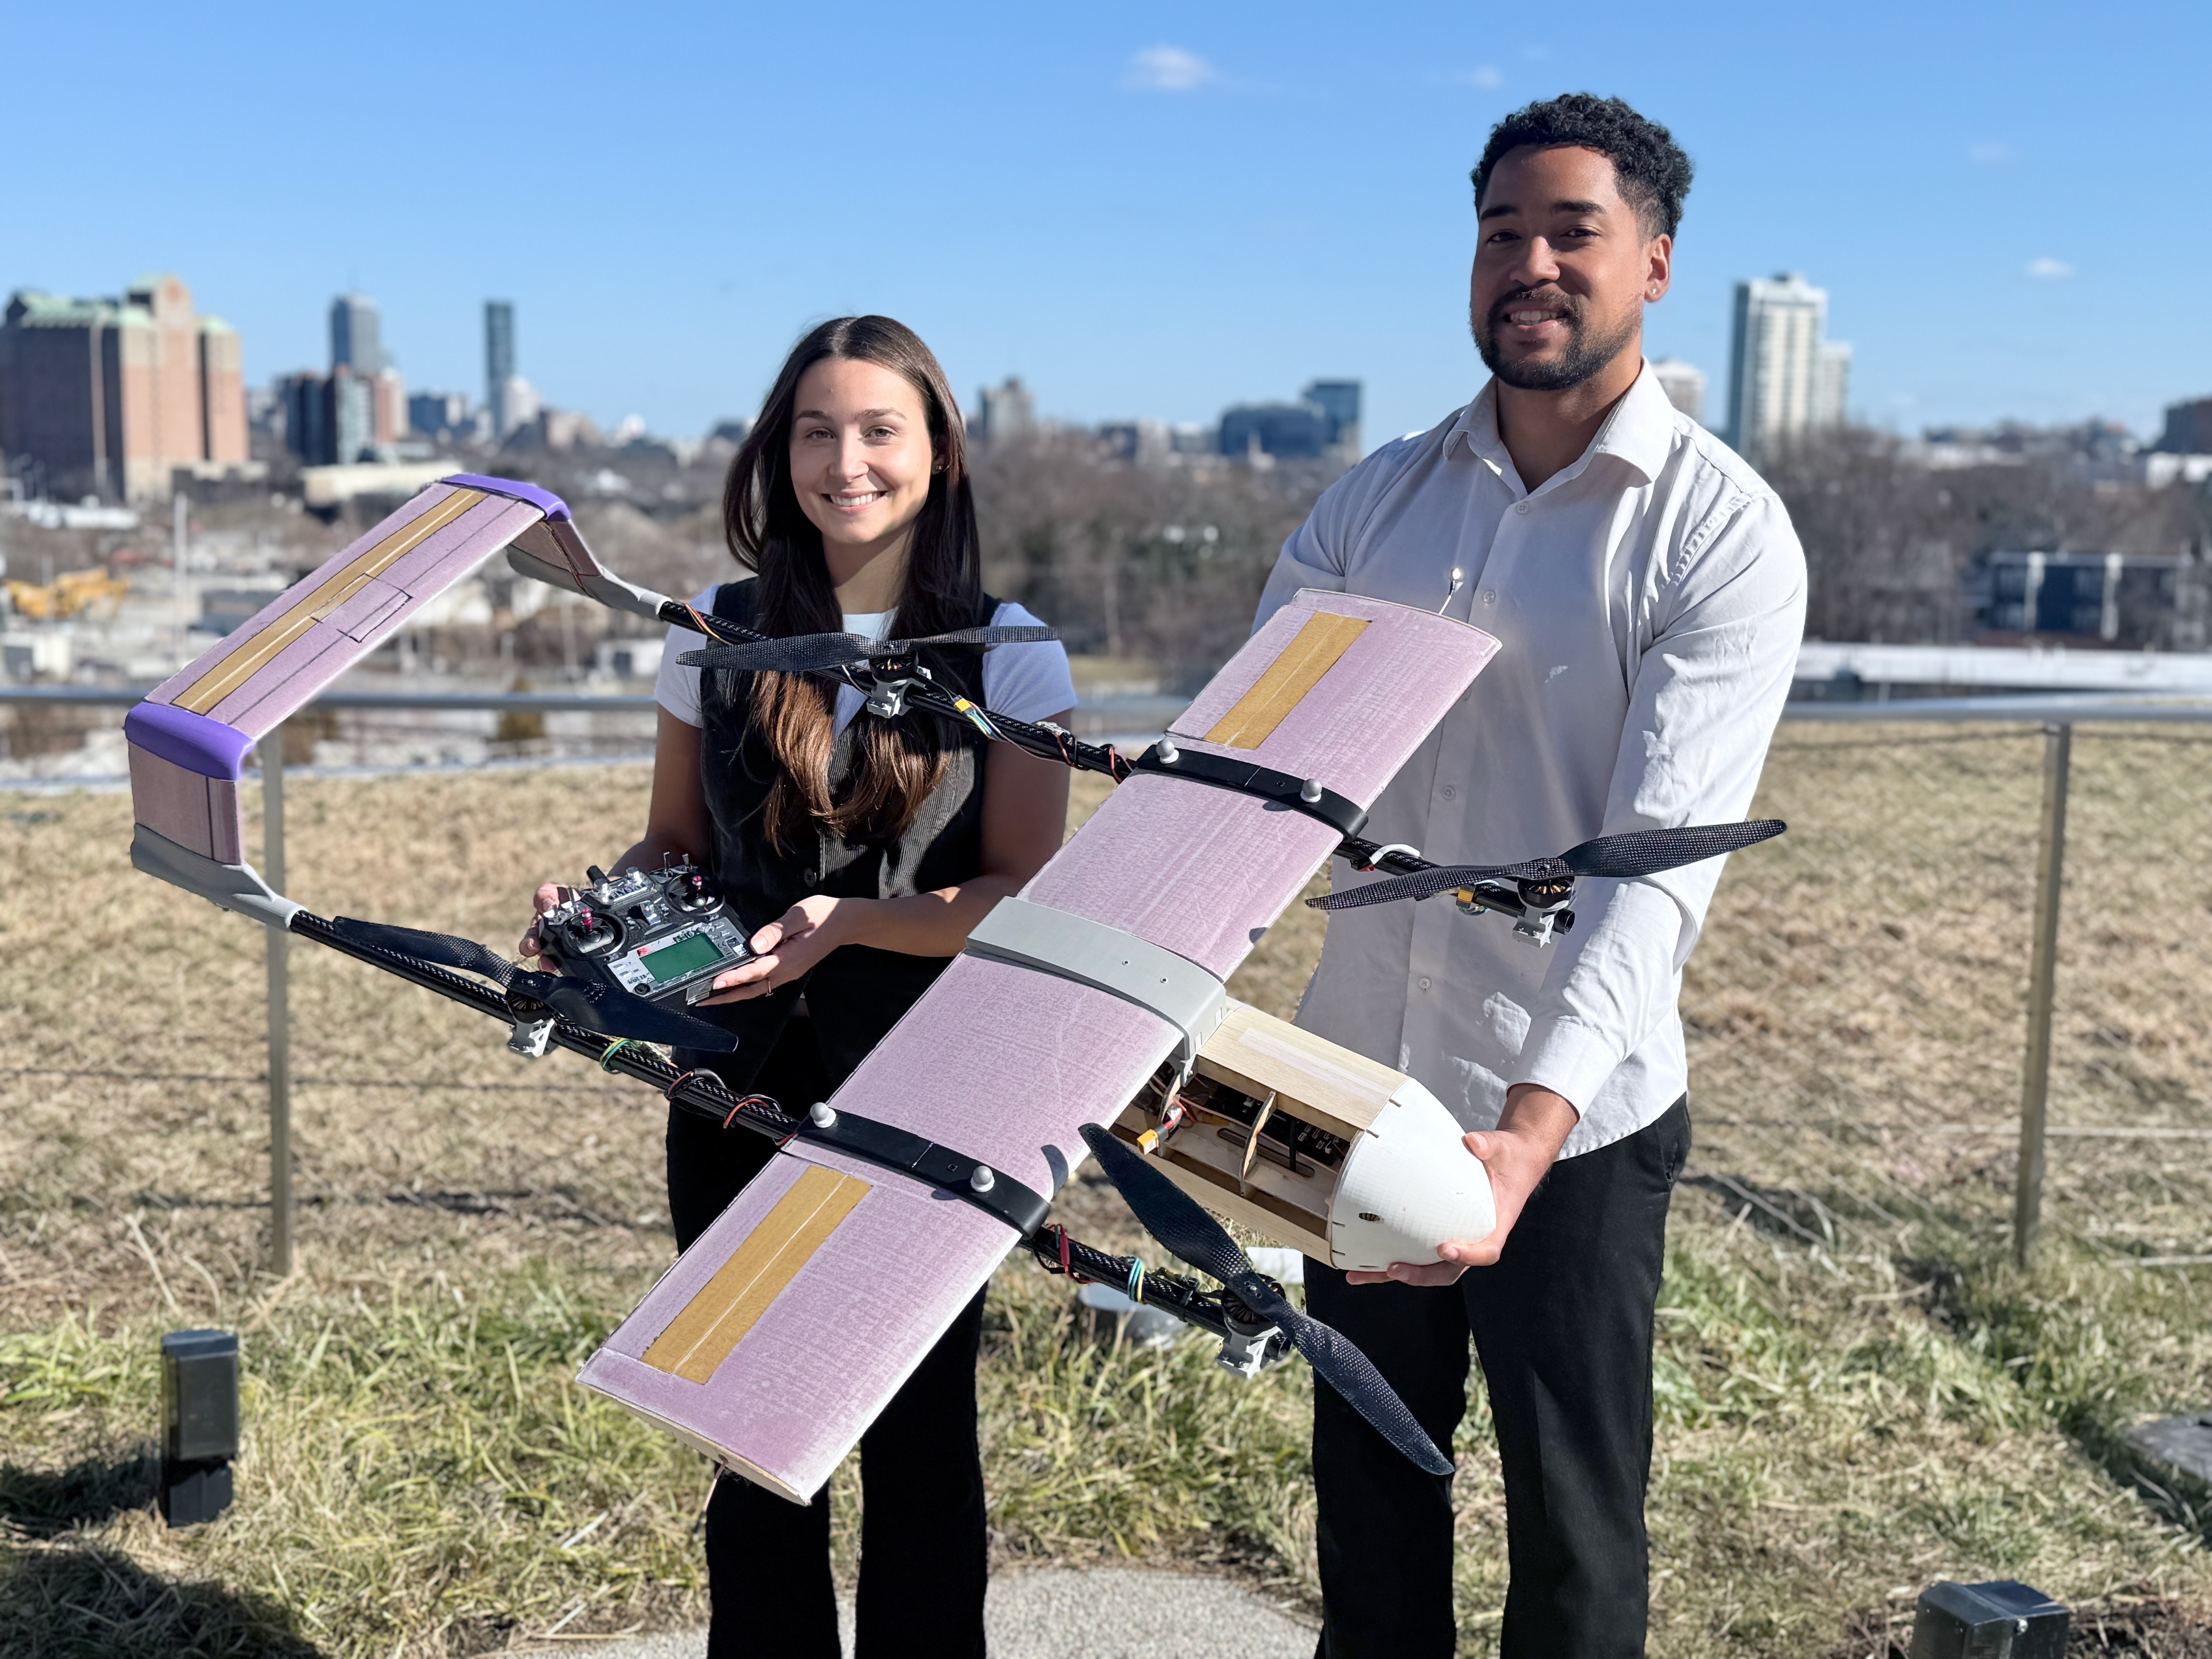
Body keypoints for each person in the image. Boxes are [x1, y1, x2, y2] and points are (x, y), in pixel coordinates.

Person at [1253, 96, 1807, 1657]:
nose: (1533, 263)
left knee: (1574, 1532)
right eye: (1504, 232)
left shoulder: (1716, 533)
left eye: (1575, 231)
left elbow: (1657, 879)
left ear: (1657, 263)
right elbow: (1262, 759)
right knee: (1366, 1502)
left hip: (1572, 1116)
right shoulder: (1379, 499)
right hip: (1361, 1077)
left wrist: (1526, 1131)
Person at [524, 315, 1075, 1658]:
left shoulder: (1009, 652)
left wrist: (857, 923)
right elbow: (677, 843)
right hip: (734, 1084)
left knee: (923, 1440)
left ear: (939, 451)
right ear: (780, 455)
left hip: (933, 1090)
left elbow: (1017, 895)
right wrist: (607, 912)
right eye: (816, 431)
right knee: (753, 1434)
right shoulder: (711, 633)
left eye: (881, 429)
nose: (847, 461)